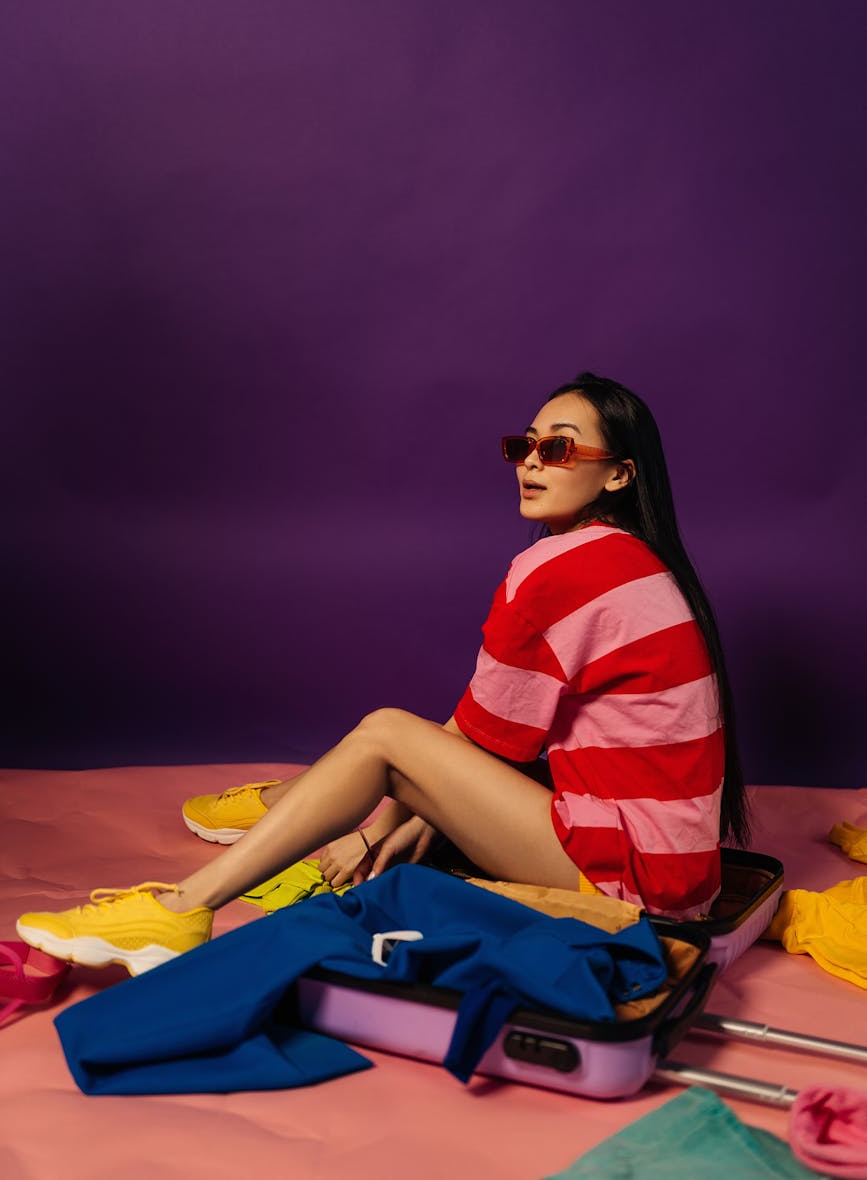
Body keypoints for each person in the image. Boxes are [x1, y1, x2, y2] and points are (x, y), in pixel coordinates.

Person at [17, 372, 749, 976]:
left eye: (555, 448)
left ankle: (181, 910)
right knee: (401, 759)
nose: (529, 462)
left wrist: (375, 830)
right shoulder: (636, 559)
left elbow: (476, 743)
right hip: (679, 870)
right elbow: (494, 738)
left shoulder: (562, 567)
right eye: (522, 445)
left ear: (619, 473)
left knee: (385, 735)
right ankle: (287, 803)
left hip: (637, 883)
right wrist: (410, 812)